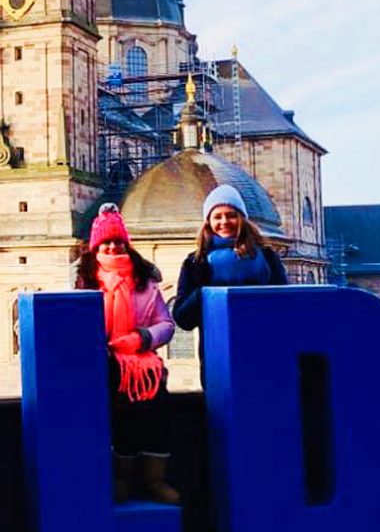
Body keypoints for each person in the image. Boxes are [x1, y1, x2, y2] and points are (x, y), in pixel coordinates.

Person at [76, 203, 179, 504]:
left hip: (144, 365)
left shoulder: (145, 281)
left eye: (118, 241)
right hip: (105, 367)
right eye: (106, 242)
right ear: (96, 246)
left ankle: (154, 480)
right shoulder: (83, 279)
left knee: (156, 417)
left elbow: (166, 324)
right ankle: (121, 478)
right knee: (119, 422)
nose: (113, 247)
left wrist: (142, 338)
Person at [170, 185, 288, 334]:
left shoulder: (267, 256)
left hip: (263, 338)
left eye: (231, 215)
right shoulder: (196, 262)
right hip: (218, 342)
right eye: (217, 217)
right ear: (208, 221)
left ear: (241, 219)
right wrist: (204, 294)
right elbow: (183, 319)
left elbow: (285, 302)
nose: (224, 221)